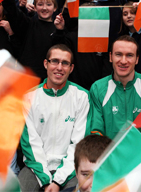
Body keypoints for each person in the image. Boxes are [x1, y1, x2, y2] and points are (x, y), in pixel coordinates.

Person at [19, 44, 91, 192]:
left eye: (65, 63)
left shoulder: (82, 97)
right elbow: (31, 145)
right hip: (35, 168)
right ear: (46, 64)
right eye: (55, 61)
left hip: (70, 169)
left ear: (71, 68)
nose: (59, 67)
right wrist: (46, 181)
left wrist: (58, 181)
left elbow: (79, 144)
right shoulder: (27, 98)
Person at [90, 35, 141, 140]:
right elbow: (96, 131)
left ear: (137, 59)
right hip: (110, 154)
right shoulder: (98, 88)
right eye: (118, 54)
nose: (124, 61)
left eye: (129, 55)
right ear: (111, 57)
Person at [2, 0, 63, 81]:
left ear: (55, 8)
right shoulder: (28, 24)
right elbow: (12, 11)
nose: (44, 8)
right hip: (27, 76)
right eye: (40, 4)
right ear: (34, 7)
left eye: (49, 4)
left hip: (49, 79)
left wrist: (60, 31)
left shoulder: (58, 28)